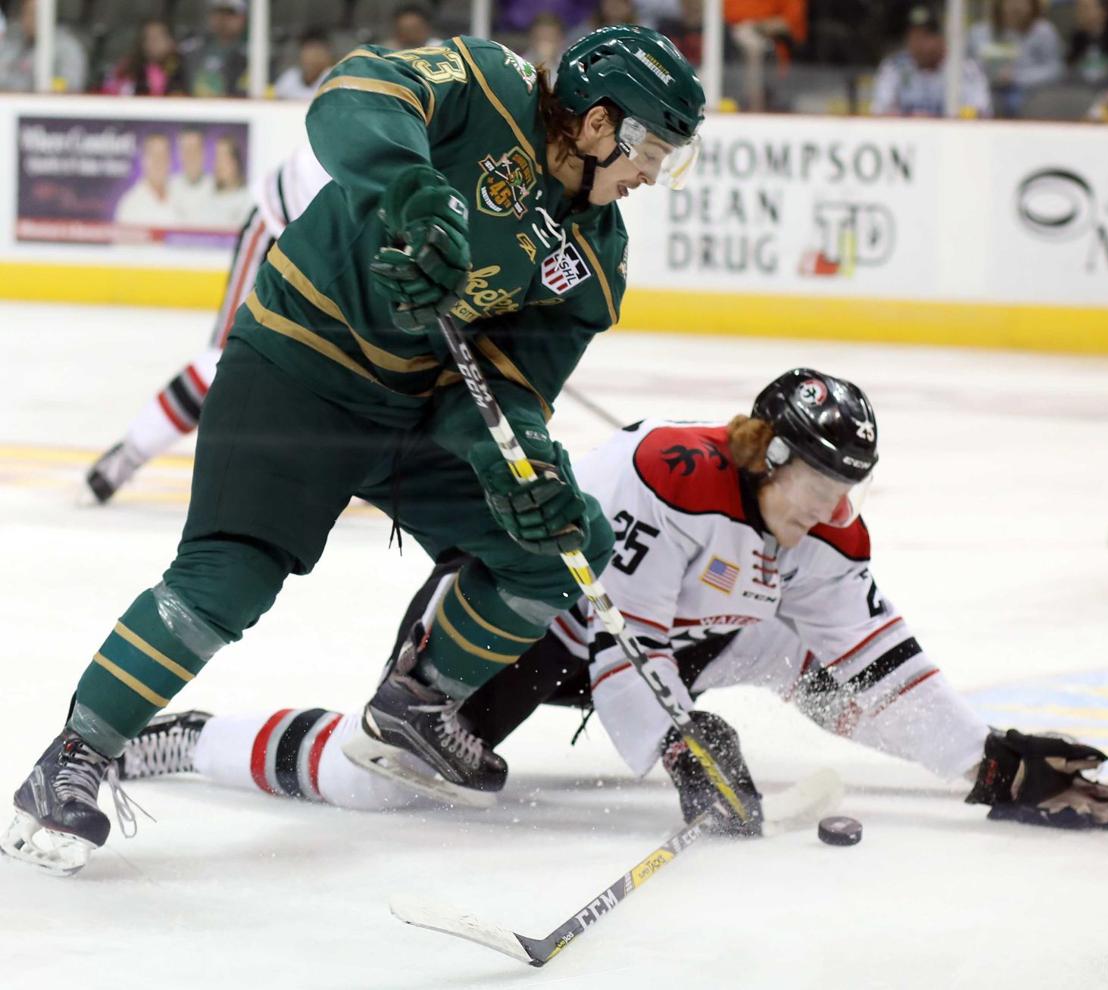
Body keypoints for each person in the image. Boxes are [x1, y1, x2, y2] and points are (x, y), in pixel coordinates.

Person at [2, 26, 706, 877]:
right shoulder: (487, 84)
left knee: (561, 545)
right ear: (598, 124)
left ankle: (419, 699)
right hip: (299, 364)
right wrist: (410, 191)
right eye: (652, 151)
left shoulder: (596, 254)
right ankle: (77, 755)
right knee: (230, 578)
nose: (650, 177)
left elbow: (512, 381)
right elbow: (354, 94)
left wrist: (511, 458)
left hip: (415, 409)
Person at [116, 369, 1108, 836]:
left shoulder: (821, 527)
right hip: (519, 622)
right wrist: (678, 744)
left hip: (654, 645)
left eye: (847, 486)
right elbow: (620, 639)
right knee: (382, 785)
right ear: (769, 454)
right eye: (822, 480)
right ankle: (196, 738)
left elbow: (876, 654)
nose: (837, 505)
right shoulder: (669, 475)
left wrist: (987, 760)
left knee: (792, 652)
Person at [85, 140, 333, 504]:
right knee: (227, 361)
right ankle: (128, 454)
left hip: (329, 248)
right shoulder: (400, 114)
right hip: (276, 229)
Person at [871, 6, 992, 118]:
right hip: (907, 136)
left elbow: (980, 111)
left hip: (953, 137)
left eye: (925, 36)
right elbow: (880, 111)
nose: (918, 43)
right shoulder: (894, 67)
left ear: (941, 39)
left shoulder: (966, 69)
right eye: (913, 36)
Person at [968, 0, 1063, 117]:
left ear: (1032, 5)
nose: (1016, 6)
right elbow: (966, 66)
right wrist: (987, 73)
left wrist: (1017, 77)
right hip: (986, 90)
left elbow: (1055, 70)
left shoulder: (1044, 31)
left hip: (1029, 92)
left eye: (1022, 2)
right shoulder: (979, 32)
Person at [0, 0, 88, 93]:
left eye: (33, 14)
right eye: (25, 13)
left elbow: (71, 86)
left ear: (50, 15)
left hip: (44, 105)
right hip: (9, 103)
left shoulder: (68, 48)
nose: (27, 20)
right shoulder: (15, 39)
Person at [99, 18, 187, 97]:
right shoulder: (127, 68)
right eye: (147, 38)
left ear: (170, 42)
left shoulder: (184, 68)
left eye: (157, 38)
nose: (152, 43)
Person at [182, 0, 248, 98]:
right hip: (192, 109)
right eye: (219, 12)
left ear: (242, 18)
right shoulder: (191, 50)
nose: (223, 19)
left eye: (230, 14)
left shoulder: (250, 54)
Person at [113, 132, 178, 228]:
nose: (158, 161)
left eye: (163, 155)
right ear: (143, 160)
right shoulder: (130, 205)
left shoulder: (181, 192)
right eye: (153, 155)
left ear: (170, 161)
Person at [1065, 0, 1108, 85]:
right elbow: (1070, 67)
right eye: (1078, 8)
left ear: (1104, 12)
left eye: (1085, 8)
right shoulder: (1077, 39)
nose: (1079, 13)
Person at [168, 127, 217, 228]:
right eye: (186, 150)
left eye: (195, 149)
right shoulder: (167, 187)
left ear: (203, 153)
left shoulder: (218, 186)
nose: (191, 155)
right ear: (179, 155)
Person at [273, 30, 334, 100]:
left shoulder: (333, 78)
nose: (311, 58)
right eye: (308, 51)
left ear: (327, 56)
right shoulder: (290, 76)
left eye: (316, 52)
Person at [210, 134, 253, 225]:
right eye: (217, 157)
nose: (218, 164)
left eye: (224, 157)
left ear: (235, 162)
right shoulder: (208, 198)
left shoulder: (246, 200)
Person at [523, 12, 568, 81]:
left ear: (560, 40)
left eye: (550, 39)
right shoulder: (519, 65)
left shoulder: (569, 66)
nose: (545, 44)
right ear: (531, 39)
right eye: (541, 39)